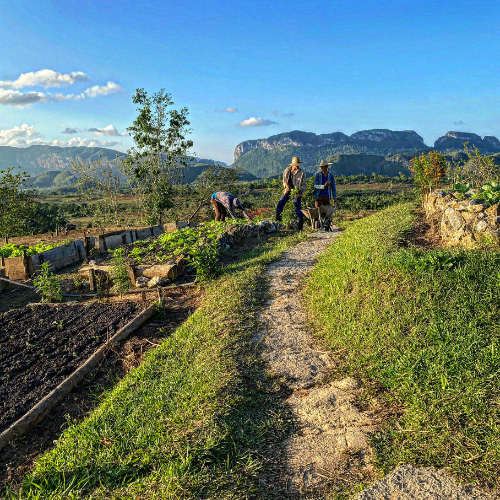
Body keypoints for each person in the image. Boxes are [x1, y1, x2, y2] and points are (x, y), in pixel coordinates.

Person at [276, 156, 307, 230]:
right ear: (292, 165)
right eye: (296, 164)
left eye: (298, 165)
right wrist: (286, 185)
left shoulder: (302, 173)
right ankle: (277, 223)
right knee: (280, 205)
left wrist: (299, 190)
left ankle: (300, 227)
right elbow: (284, 180)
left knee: (298, 208)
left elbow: (304, 185)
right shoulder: (287, 170)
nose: (297, 166)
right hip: (287, 191)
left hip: (296, 193)